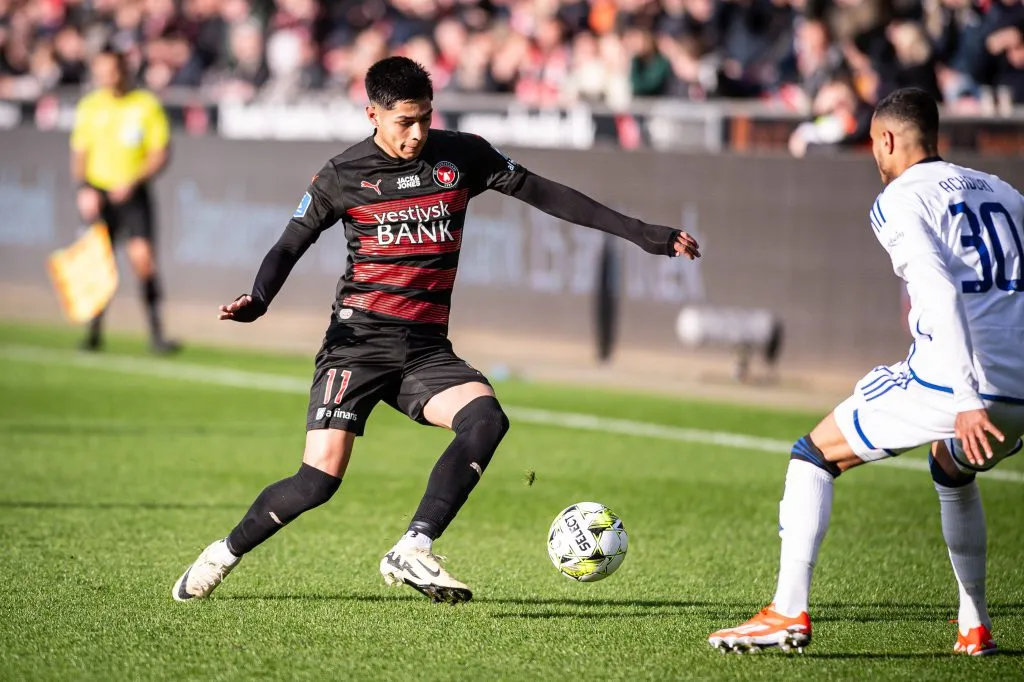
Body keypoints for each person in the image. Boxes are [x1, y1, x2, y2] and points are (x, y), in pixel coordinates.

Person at [172, 56, 701, 605]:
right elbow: (289, 244)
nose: (418, 132)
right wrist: (259, 299)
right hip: (356, 347)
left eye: (426, 117)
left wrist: (645, 234)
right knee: (317, 482)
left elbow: (548, 194)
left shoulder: (463, 155)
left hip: (424, 349)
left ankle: (415, 546)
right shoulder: (341, 175)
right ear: (372, 114)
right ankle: (222, 554)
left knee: (486, 418)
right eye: (405, 121)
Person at [709, 87, 1024, 655]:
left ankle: (787, 611)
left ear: (887, 140)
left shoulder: (901, 197)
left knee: (812, 454)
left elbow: (936, 286)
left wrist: (965, 396)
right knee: (951, 467)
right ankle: (974, 625)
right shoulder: (1004, 190)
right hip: (1021, 389)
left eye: (874, 147)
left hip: (960, 385)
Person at [70, 48, 177, 353]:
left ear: (123, 70)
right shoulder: (90, 106)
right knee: (98, 265)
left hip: (133, 194)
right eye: (100, 72)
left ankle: (157, 333)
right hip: (99, 193)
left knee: (142, 260)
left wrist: (134, 181)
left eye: (110, 71)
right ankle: (93, 334)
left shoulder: (145, 105)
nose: (105, 78)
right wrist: (84, 188)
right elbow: (80, 152)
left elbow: (160, 152)